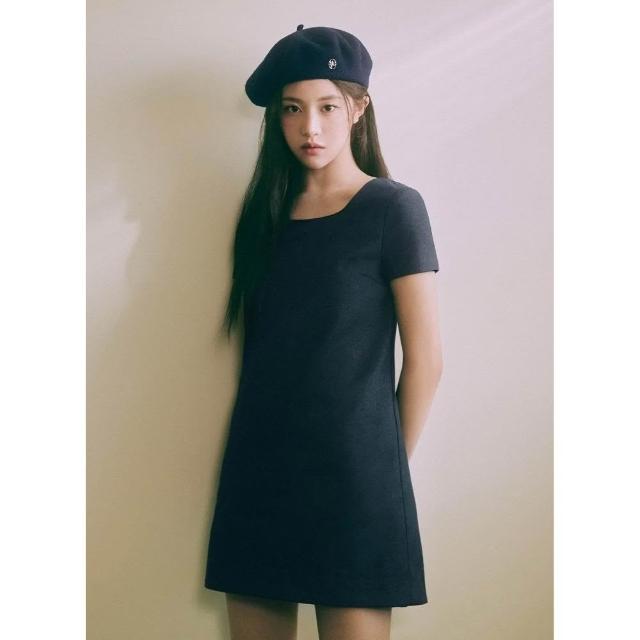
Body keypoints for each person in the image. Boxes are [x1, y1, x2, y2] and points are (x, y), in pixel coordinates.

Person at [204, 24, 443, 640]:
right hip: (260, 473)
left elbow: (426, 361)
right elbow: (257, 354)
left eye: (328, 107)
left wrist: (381, 468)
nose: (309, 127)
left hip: (356, 481)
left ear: (358, 109)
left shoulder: (393, 208)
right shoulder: (262, 216)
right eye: (292, 109)